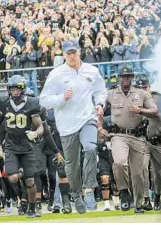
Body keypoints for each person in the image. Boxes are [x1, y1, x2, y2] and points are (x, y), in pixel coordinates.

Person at [39, 39, 108, 214]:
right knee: (71, 164)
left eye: (74, 52)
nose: (71, 56)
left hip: (87, 118)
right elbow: (44, 100)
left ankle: (89, 188)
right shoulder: (56, 74)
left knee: (91, 148)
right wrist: (62, 97)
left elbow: (101, 90)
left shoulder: (91, 70)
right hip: (67, 124)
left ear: (79, 52)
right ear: (63, 54)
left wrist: (100, 103)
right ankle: (75, 194)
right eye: (68, 53)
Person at [99, 65, 158, 213]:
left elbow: (155, 110)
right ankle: (124, 192)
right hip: (118, 135)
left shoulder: (141, 93)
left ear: (132, 77)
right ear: (119, 78)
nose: (126, 79)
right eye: (123, 76)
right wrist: (100, 127)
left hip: (138, 136)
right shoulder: (111, 93)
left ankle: (138, 204)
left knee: (138, 173)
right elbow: (99, 111)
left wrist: (141, 110)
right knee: (119, 162)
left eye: (129, 76)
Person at [0, 75, 44, 218]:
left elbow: (40, 126)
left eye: (18, 89)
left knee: (30, 180)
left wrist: (36, 133)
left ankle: (32, 207)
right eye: (13, 89)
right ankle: (22, 178)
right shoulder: (3, 102)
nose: (15, 92)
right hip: (10, 145)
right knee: (13, 177)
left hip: (27, 146)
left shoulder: (32, 103)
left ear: (23, 90)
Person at [134, 74, 161, 211]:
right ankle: (146, 199)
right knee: (142, 169)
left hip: (158, 141)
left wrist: (140, 111)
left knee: (158, 173)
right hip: (142, 140)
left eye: (144, 87)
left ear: (149, 87)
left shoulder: (157, 98)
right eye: (139, 87)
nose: (142, 89)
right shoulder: (134, 99)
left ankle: (157, 195)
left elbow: (157, 113)